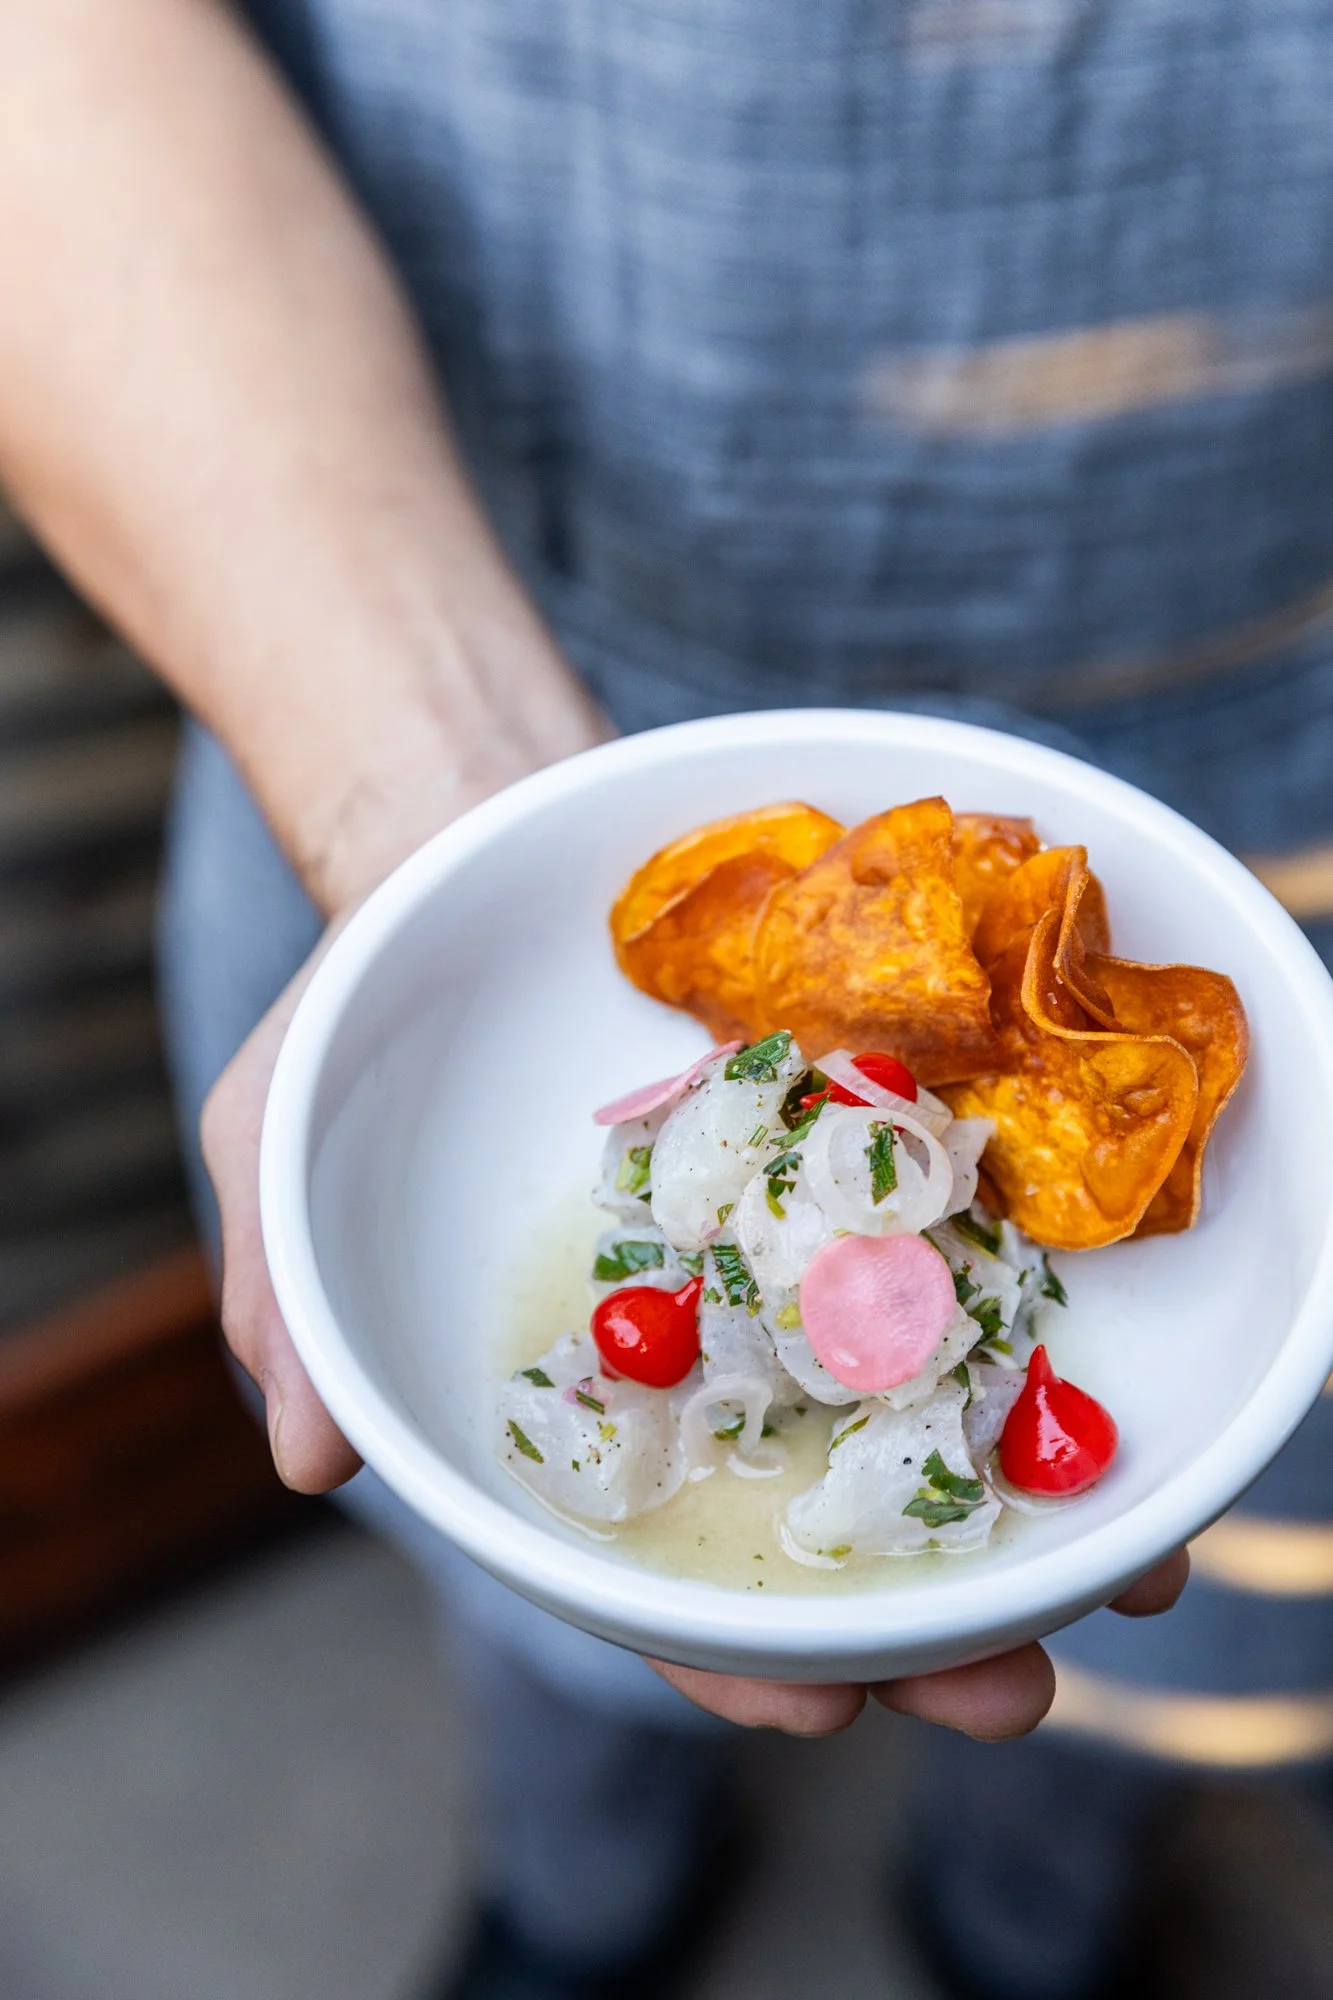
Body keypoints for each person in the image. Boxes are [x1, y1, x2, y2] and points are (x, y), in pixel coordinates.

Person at [22, 1, 1333, 1993]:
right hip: (437, 637)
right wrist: (436, 831)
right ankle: (583, 1891)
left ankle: (1025, 1923)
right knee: (540, 1626)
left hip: (1286, 767)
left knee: (1161, 1630)